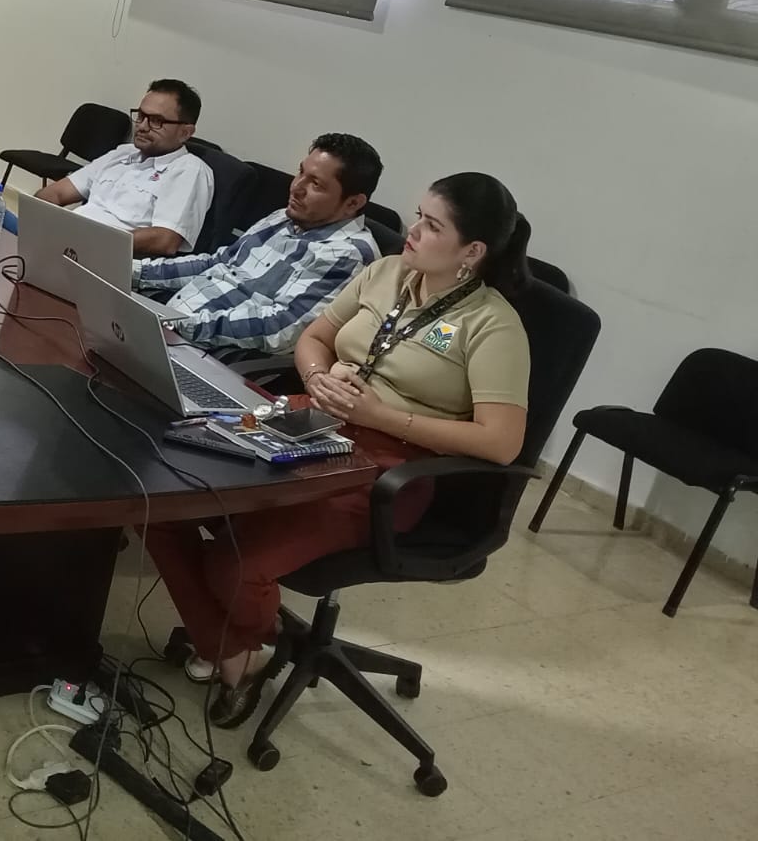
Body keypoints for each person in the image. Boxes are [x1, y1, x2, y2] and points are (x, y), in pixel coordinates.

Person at [143, 172, 532, 725]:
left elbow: (502, 442)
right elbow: (314, 338)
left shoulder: (492, 325)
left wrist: (382, 416)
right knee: (158, 499)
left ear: (472, 251)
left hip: (387, 465)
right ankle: (232, 647)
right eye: (417, 216)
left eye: (431, 225)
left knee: (236, 564)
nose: (413, 231)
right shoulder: (386, 272)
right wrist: (318, 376)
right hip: (312, 418)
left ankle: (241, 653)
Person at [133, 134, 383, 352]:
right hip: (172, 324)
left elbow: (279, 328)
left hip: (212, 351)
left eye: (315, 184)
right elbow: (217, 263)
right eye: (301, 173)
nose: (296, 188)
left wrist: (177, 324)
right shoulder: (284, 217)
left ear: (353, 203)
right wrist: (133, 269)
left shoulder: (348, 255)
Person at [36, 80, 214, 257]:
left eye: (156, 121)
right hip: (66, 243)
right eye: (141, 116)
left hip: (105, 256)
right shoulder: (122, 153)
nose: (142, 126)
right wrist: (35, 218)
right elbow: (56, 193)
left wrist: (87, 240)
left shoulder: (189, 170)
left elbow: (164, 240)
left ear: (185, 132)